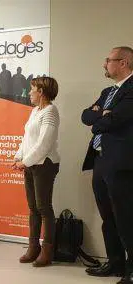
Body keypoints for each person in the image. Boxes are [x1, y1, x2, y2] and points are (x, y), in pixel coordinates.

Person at [81, 46, 133, 283]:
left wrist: (101, 116)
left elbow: (116, 120)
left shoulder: (132, 89)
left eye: (109, 60)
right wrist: (103, 114)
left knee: (126, 217)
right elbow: (86, 117)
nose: (104, 64)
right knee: (107, 217)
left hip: (121, 163)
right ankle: (115, 263)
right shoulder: (107, 91)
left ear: (124, 63)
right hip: (100, 159)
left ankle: (131, 270)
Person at [12, 76, 60, 267]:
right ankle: (33, 247)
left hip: (45, 165)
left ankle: (47, 250)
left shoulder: (51, 111)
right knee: (33, 208)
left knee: (44, 208)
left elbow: (44, 143)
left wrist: (25, 162)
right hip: (31, 164)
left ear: (41, 92)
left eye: (32, 89)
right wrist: (18, 157)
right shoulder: (35, 111)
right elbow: (27, 138)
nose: (29, 93)